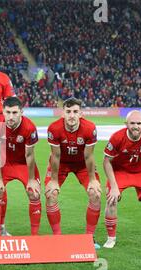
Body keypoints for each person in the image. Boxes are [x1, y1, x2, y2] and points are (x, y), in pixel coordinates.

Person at [45, 98, 102, 247]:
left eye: (75, 112)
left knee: (95, 193)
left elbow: (89, 156)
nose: (71, 115)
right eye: (68, 112)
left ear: (81, 113)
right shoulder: (54, 128)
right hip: (61, 163)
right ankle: (57, 237)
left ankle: (90, 238)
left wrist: (92, 180)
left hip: (83, 164)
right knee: (51, 193)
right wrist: (54, 180)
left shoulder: (90, 128)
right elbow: (55, 156)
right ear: (63, 113)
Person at [103, 110, 141, 248]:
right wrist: (114, 186)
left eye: (139, 123)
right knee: (111, 199)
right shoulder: (117, 138)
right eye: (132, 123)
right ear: (126, 124)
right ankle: (111, 238)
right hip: (120, 171)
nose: (136, 126)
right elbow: (106, 161)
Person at [0, 97, 42, 236]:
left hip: (23, 164)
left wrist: (31, 179)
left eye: (14, 113)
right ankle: (0, 231)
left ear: (21, 112)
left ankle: (34, 236)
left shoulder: (29, 127)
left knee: (34, 193)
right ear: (3, 111)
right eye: (7, 112)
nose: (10, 116)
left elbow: (29, 155)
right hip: (4, 163)